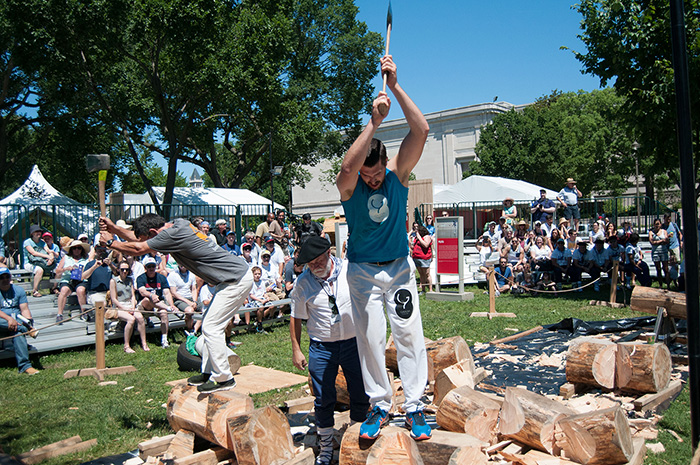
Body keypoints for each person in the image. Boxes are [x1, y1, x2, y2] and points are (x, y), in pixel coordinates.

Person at [335, 55, 431, 441]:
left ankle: (415, 407)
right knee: (371, 339)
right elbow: (345, 169)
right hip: (362, 273)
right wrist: (373, 121)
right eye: (368, 175)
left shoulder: (397, 177)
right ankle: (378, 404)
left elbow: (420, 130)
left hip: (398, 269)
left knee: (408, 334)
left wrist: (394, 86)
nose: (373, 181)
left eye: (378, 174)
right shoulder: (350, 186)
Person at [100, 213, 253, 393]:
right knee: (209, 326)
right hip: (230, 278)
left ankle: (224, 379)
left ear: (153, 232)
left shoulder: (170, 235)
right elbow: (138, 240)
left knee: (211, 327)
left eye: (147, 238)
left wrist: (111, 243)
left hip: (235, 279)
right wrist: (113, 228)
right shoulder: (177, 225)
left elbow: (138, 248)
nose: (150, 245)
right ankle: (209, 372)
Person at [290, 236, 370, 465]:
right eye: (309, 263)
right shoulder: (303, 283)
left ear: (328, 254)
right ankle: (325, 447)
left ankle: (355, 438)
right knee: (323, 397)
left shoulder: (348, 272)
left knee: (359, 391)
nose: (314, 266)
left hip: (353, 342)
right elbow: (295, 318)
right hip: (321, 346)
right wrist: (296, 349)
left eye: (317, 260)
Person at [0, 267, 39, 374]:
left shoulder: (18, 290)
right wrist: (9, 319)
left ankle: (25, 366)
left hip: (15, 322)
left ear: (10, 277)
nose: (5, 279)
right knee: (19, 327)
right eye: (1, 277)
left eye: (7, 277)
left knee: (18, 332)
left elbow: (24, 309)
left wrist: (28, 321)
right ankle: (28, 330)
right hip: (2, 322)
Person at [110, 261, 149, 353]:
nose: (124, 271)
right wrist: (124, 308)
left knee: (140, 317)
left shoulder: (130, 280)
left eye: (126, 269)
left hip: (129, 304)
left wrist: (132, 306)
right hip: (119, 306)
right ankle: (126, 345)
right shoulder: (113, 281)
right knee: (131, 319)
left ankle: (144, 342)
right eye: (122, 269)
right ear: (118, 269)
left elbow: (132, 295)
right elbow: (114, 299)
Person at [136, 256, 175, 347]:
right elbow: (142, 291)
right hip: (144, 305)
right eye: (149, 267)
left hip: (159, 304)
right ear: (145, 268)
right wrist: (151, 295)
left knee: (164, 313)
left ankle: (164, 339)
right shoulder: (141, 278)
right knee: (147, 299)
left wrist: (172, 304)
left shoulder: (161, 277)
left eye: (153, 266)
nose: (151, 269)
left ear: (156, 267)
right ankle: (168, 308)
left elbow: (167, 293)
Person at [54, 239, 90, 324]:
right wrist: (66, 268)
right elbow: (58, 271)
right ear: (71, 249)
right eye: (74, 248)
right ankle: (59, 314)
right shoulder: (66, 258)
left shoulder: (86, 259)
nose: (77, 250)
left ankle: (84, 312)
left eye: (79, 248)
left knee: (81, 290)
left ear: (82, 249)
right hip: (68, 279)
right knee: (63, 290)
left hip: (81, 280)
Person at [23, 224, 56, 297]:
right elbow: (33, 253)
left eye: (40, 231)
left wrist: (51, 257)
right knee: (39, 270)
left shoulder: (42, 242)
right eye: (36, 231)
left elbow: (49, 251)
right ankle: (35, 290)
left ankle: (54, 288)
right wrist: (47, 256)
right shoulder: (27, 242)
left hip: (42, 262)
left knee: (57, 269)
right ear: (32, 233)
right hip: (29, 263)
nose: (39, 233)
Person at [167, 262, 199, 332]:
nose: (182, 265)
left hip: (190, 298)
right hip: (179, 299)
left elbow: (193, 289)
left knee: (206, 308)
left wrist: (194, 301)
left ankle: (195, 329)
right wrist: (188, 302)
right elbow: (173, 293)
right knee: (189, 311)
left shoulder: (191, 274)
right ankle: (190, 329)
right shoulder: (173, 275)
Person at [649, 218, 670, 289]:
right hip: (655, 252)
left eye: (658, 224)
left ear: (660, 224)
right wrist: (661, 241)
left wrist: (660, 241)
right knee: (658, 269)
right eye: (655, 224)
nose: (657, 226)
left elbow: (667, 240)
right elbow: (652, 242)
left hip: (663, 251)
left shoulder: (664, 231)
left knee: (666, 268)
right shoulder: (651, 232)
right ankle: (660, 285)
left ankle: (668, 285)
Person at [411, 224, 433, 293]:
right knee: (421, 274)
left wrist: (419, 237)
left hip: (425, 258)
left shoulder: (427, 237)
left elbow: (425, 245)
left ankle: (430, 289)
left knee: (426, 274)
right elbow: (413, 246)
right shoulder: (416, 238)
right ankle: (423, 289)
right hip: (417, 258)